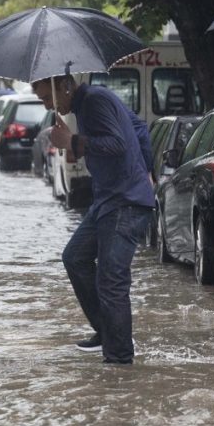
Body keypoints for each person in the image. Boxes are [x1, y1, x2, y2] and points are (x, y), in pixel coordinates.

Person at [33, 75, 154, 364]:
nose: (47, 105)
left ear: (64, 86)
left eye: (47, 97)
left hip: (125, 202)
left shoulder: (95, 100)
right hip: (107, 200)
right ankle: (108, 332)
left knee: (111, 280)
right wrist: (146, 170)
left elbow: (118, 143)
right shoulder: (87, 104)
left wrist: (73, 141)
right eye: (43, 100)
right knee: (75, 257)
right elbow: (138, 128)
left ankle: (119, 362)